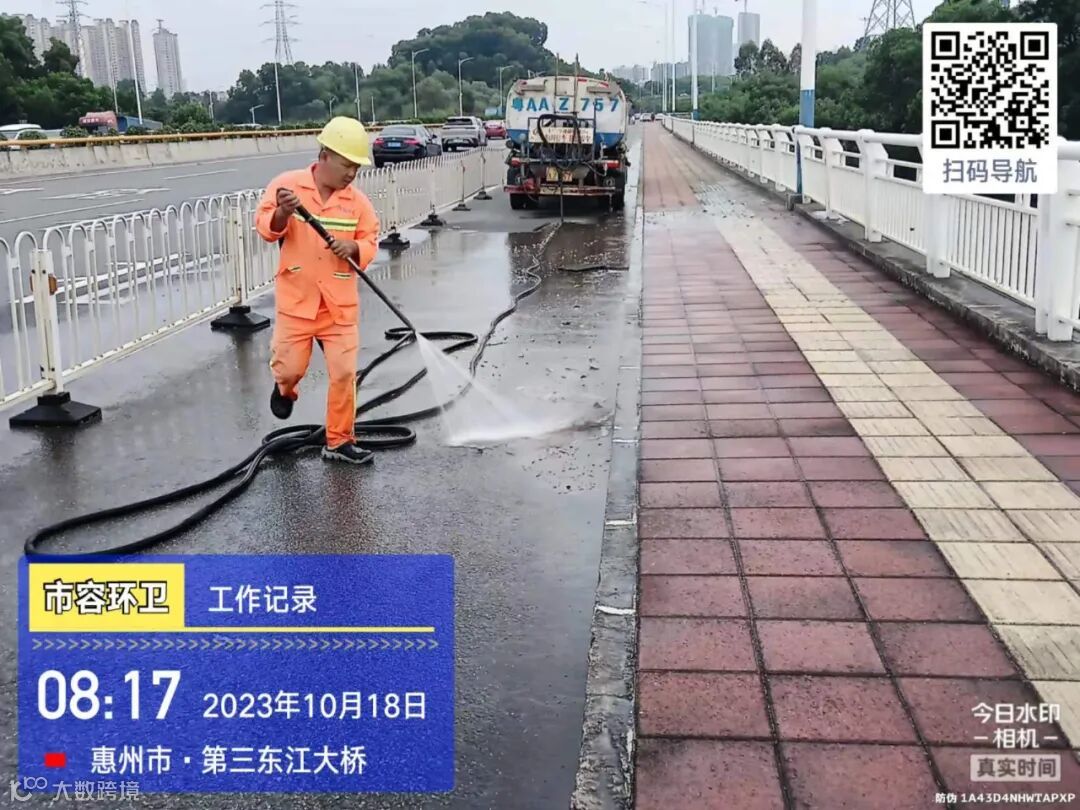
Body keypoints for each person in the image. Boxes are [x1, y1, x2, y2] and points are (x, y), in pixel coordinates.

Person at [255, 116, 380, 465]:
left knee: (344, 373)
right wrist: (283, 212)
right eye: (346, 165)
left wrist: (353, 248)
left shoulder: (358, 203)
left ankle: (339, 441)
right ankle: (285, 389)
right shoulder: (287, 187)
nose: (351, 173)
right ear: (325, 156)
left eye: (356, 167)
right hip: (297, 301)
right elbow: (266, 229)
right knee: (290, 367)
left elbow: (370, 240)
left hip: (338, 306)